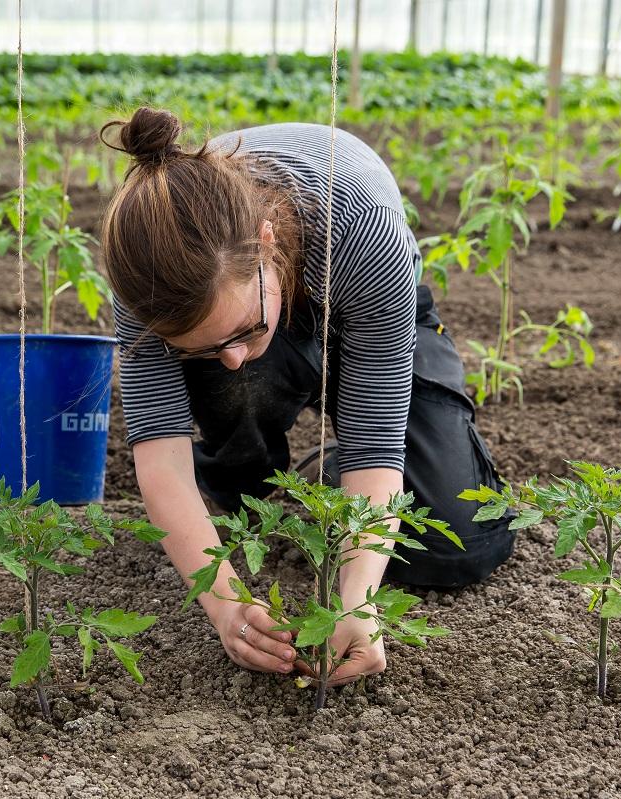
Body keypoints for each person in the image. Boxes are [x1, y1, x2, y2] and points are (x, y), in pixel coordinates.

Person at [99, 107, 515, 686]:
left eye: (243, 331)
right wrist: (224, 606)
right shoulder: (151, 281)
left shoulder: (362, 229)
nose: (233, 358)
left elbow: (375, 443)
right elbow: (161, 461)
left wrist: (357, 606)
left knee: (458, 545)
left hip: (369, 302)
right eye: (197, 348)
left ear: (266, 243)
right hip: (263, 304)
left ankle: (327, 470)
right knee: (241, 407)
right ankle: (247, 476)